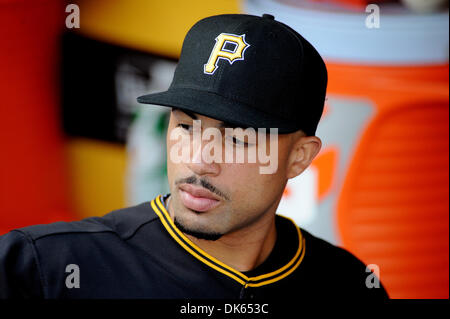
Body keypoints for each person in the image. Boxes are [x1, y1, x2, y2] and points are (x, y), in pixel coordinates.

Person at [0, 13, 388, 300]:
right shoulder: (38, 268)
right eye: (187, 126)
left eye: (238, 139)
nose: (200, 160)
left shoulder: (347, 285)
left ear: (299, 157)